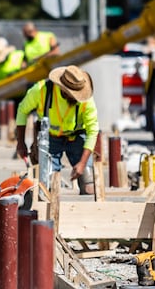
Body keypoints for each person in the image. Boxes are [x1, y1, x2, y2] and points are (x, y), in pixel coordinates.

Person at [14, 65, 99, 194]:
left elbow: (93, 130)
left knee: (89, 184)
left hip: (76, 137)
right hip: (49, 139)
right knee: (47, 185)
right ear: (63, 90)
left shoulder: (86, 100)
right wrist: (20, 142)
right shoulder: (41, 90)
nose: (77, 98)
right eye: (73, 95)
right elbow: (22, 110)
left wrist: (82, 163)